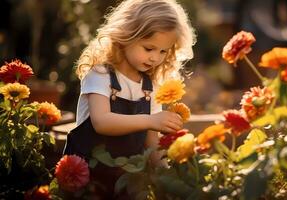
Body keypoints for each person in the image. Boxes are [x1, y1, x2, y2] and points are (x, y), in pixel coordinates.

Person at [63, 0, 196, 198]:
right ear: (126, 36)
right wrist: (151, 120)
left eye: (163, 51)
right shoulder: (100, 74)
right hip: (86, 175)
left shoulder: (150, 86)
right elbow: (101, 122)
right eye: (149, 48)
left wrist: (167, 177)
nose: (155, 58)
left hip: (127, 179)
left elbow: (151, 142)